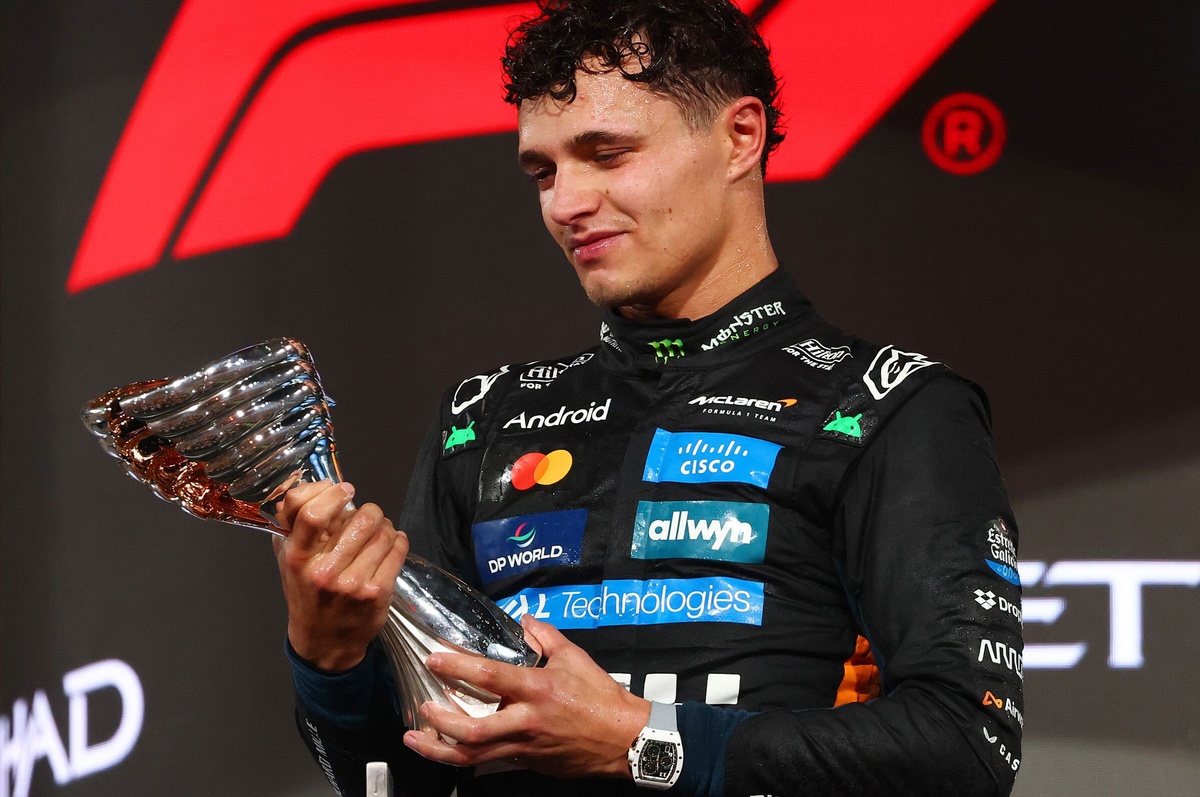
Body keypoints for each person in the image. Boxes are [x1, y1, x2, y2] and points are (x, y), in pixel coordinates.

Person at [273, 1, 1025, 795]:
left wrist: (645, 741)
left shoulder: (892, 407)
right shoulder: (483, 420)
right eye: (544, 171)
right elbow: (403, 778)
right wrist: (330, 661)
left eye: (608, 154)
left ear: (740, 137)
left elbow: (967, 746)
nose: (566, 203)